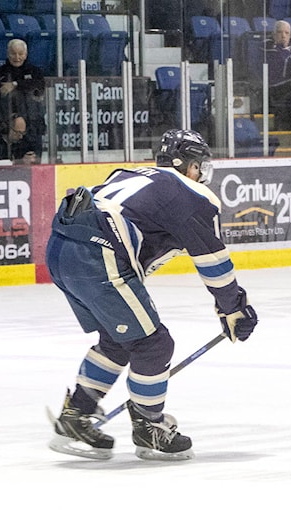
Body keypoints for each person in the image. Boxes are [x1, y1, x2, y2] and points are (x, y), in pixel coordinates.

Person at [46, 129, 258, 461]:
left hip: (60, 247)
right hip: (97, 253)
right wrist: (234, 307)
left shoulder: (132, 175)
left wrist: (228, 307)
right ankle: (150, 428)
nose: (202, 174)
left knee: (119, 340)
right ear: (188, 166)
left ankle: (76, 415)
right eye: (200, 166)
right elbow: (213, 262)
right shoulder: (192, 194)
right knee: (153, 344)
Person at [0, 38, 47, 158]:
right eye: (13, 53)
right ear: (8, 53)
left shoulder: (35, 71)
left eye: (20, 54)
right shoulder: (0, 73)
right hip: (9, 130)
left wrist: (15, 84)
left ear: (26, 55)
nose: (17, 57)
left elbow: (39, 86)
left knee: (32, 164)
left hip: (32, 128)